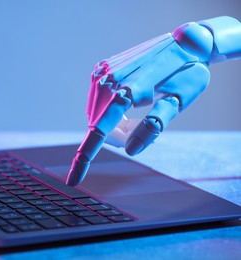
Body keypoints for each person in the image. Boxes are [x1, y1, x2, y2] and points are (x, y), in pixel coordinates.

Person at [66, 16, 241, 186]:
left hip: (186, 39)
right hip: (188, 39)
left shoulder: (198, 58)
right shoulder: (199, 63)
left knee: (113, 87)